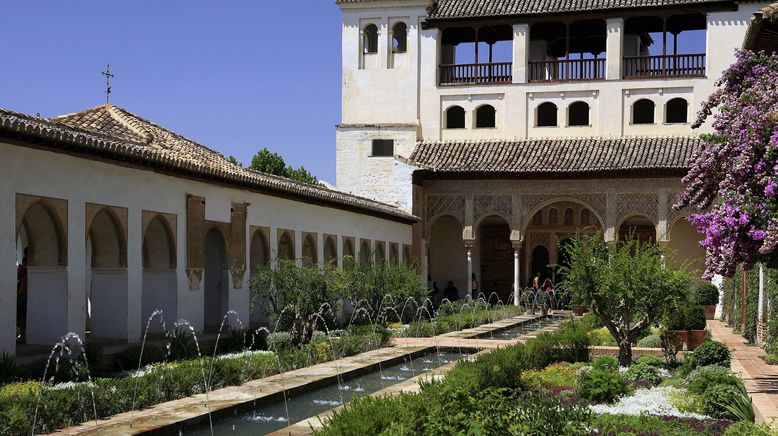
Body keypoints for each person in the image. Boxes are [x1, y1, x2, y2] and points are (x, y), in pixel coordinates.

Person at [16, 250, 28, 344]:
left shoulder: (26, 263)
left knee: (22, 316)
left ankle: (22, 337)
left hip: (23, 292)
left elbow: (18, 275)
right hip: (30, 293)